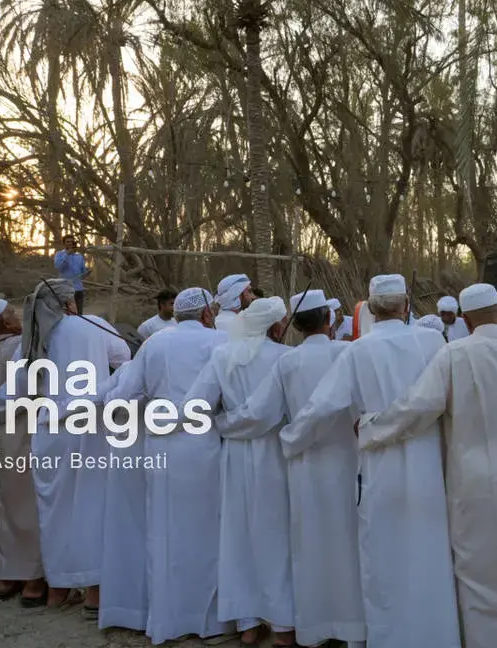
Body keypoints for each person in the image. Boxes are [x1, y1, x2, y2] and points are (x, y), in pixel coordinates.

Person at [359, 283, 497, 648]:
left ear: (466, 319)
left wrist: (371, 427)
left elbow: (416, 408)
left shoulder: (455, 354)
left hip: (475, 485)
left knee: (478, 574)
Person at [279, 275, 459, 647]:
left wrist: (290, 441)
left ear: (371, 309)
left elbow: (322, 407)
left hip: (379, 463)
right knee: (430, 551)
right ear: (407, 304)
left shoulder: (358, 351)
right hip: (429, 462)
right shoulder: (433, 342)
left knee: (383, 556)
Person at [214, 289, 366, 648]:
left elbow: (257, 414)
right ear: (329, 320)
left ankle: (313, 629)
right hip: (347, 462)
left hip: (302, 467)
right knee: (348, 542)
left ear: (295, 325)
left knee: (309, 544)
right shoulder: (348, 353)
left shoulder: (288, 363)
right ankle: (353, 630)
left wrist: (222, 424)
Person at [103, 288, 228, 644]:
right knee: (204, 532)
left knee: (162, 531)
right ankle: (208, 622)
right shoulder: (220, 341)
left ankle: (164, 620)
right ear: (206, 314)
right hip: (200, 443)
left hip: (157, 444)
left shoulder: (154, 343)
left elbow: (123, 395)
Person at [187, 297, 294, 646]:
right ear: (276, 326)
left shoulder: (222, 356)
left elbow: (195, 406)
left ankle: (248, 624)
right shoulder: (284, 358)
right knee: (275, 535)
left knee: (238, 534)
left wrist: (224, 423)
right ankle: (282, 626)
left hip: (233, 455)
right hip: (274, 453)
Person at [18, 278, 115, 612]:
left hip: (50, 431)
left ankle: (58, 588)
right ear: (69, 303)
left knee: (53, 511)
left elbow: (20, 384)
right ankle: (94, 592)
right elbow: (124, 354)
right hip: (90, 427)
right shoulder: (94, 326)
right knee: (92, 506)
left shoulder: (33, 335)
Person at [0, 298, 44, 607]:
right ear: (4, 323)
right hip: (31, 429)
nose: (17, 317)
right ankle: (34, 578)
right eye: (12, 314)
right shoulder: (26, 347)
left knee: (8, 504)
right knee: (33, 503)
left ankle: (8, 574)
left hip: (3, 435)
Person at [52, 236, 88, 313]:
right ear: (64, 243)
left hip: (78, 289)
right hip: (65, 290)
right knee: (67, 314)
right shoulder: (59, 254)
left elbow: (83, 274)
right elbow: (58, 267)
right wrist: (67, 254)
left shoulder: (79, 256)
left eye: (71, 241)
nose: (70, 243)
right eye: (68, 242)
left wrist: (87, 272)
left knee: (79, 315)